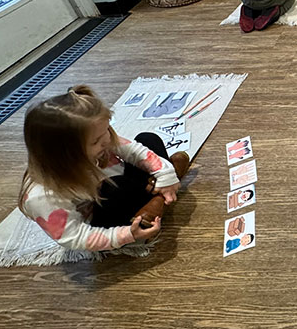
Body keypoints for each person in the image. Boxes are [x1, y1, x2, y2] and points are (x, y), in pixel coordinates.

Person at [18, 85, 190, 251]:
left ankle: (158, 199)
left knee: (148, 139)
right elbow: (75, 237)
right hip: (108, 220)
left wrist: (165, 174)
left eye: (107, 129)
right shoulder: (42, 195)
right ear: (64, 153)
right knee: (111, 187)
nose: (107, 140)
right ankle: (159, 199)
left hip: (129, 186)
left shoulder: (100, 138)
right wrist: (126, 235)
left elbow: (134, 150)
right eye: (96, 141)